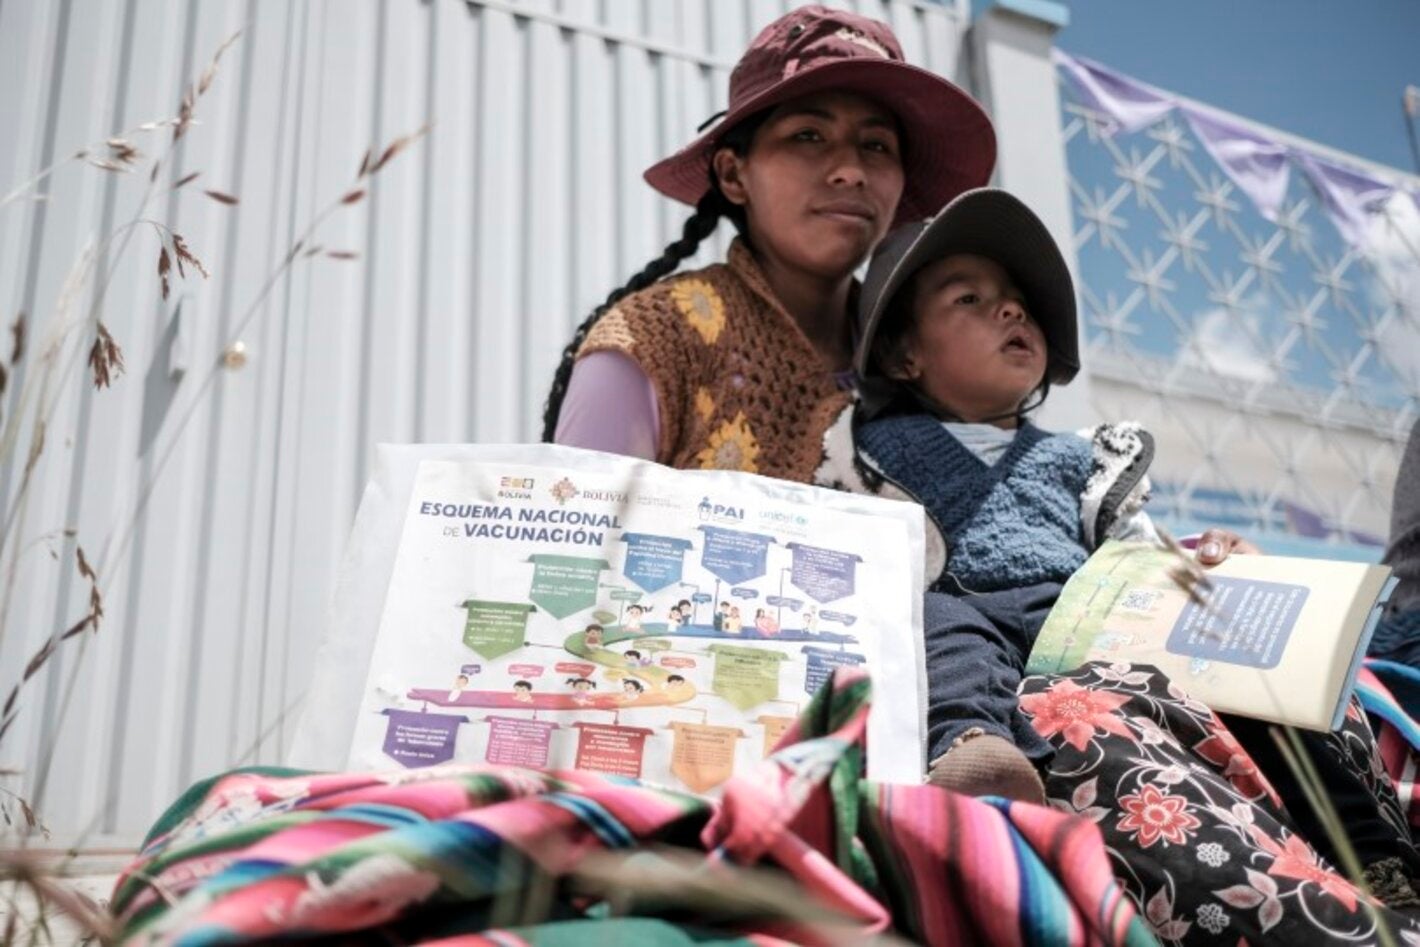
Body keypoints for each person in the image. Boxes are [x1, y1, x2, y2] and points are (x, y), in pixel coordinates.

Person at [816, 188, 1257, 803]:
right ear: (905, 354)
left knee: (1166, 637)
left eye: (1020, 305)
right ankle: (973, 748)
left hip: (1076, 619)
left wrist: (1205, 565)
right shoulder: (869, 449)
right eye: (970, 298)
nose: (1011, 313)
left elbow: (1138, 553)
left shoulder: (1083, 456)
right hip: (959, 612)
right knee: (938, 628)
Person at [544, 4, 994, 484]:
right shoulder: (652, 343)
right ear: (734, 174)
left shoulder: (924, 356)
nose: (851, 170)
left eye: (877, 145)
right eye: (808, 135)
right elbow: (571, 549)